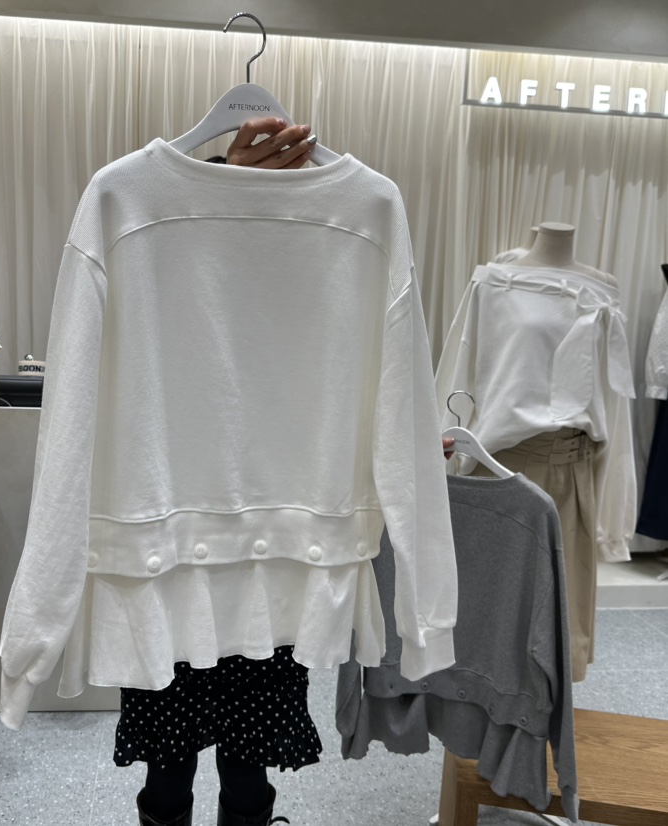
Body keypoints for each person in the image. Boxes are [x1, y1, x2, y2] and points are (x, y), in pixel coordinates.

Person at [117, 117, 456, 826]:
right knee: (176, 767)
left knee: (241, 770)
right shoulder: (144, 213)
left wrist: (427, 613)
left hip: (274, 563)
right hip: (176, 561)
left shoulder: (358, 220)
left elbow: (393, 397)